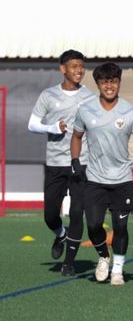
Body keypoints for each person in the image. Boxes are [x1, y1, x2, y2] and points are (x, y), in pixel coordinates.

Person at [70, 62, 133, 285]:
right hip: (94, 178)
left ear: (119, 83)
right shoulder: (85, 110)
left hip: (122, 178)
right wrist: (75, 161)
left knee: (120, 227)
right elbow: (76, 137)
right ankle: (104, 256)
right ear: (98, 84)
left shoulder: (130, 111)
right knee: (94, 225)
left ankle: (118, 271)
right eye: (105, 81)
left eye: (113, 81)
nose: (109, 85)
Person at [27, 49, 96, 276]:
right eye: (74, 66)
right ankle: (61, 235)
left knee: (77, 213)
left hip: (81, 162)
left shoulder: (90, 97)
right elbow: (32, 124)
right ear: (63, 69)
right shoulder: (48, 95)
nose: (79, 71)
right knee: (49, 215)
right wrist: (52, 128)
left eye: (81, 66)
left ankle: (69, 262)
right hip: (55, 162)